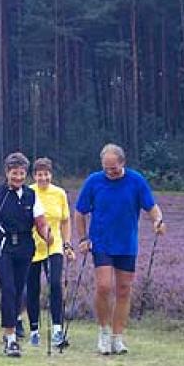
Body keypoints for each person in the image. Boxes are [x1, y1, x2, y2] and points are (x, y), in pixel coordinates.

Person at [75, 143, 166, 355]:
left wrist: (158, 222)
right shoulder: (93, 182)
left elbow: (152, 207)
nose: (110, 172)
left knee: (124, 289)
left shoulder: (136, 180)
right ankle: (104, 332)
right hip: (102, 242)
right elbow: (80, 212)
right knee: (104, 287)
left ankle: (118, 337)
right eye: (106, 168)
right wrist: (83, 238)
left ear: (122, 163)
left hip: (126, 243)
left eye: (113, 168)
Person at [0, 152, 52, 357]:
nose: (18, 177)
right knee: (8, 288)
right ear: (7, 172)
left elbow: (41, 222)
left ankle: (12, 325)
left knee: (19, 290)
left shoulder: (31, 195)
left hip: (25, 246)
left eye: (21, 174)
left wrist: (47, 236)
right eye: (14, 173)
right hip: (2, 246)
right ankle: (10, 338)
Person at [26, 157, 75, 347]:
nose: (43, 178)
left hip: (54, 245)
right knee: (32, 288)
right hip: (32, 246)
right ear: (34, 176)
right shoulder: (29, 192)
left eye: (46, 174)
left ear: (51, 175)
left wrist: (67, 244)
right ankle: (34, 329)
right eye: (39, 174)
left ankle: (57, 329)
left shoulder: (59, 193)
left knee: (55, 283)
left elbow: (65, 220)